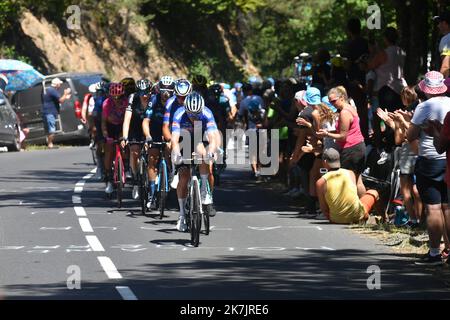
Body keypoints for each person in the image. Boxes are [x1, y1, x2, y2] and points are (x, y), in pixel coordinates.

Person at [406, 71, 450, 265]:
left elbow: (410, 135)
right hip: (447, 158)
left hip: (430, 159)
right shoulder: (449, 103)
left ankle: (434, 253)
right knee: (448, 207)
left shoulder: (424, 107)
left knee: (433, 207)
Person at [171, 92, 219, 232]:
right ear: (186, 110)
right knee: (184, 176)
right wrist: (177, 154)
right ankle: (181, 215)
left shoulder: (207, 113)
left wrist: (211, 151)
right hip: (183, 141)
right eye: (191, 115)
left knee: (204, 155)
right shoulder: (179, 114)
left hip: (199, 138)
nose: (194, 117)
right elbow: (174, 139)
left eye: (197, 115)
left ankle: (204, 190)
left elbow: (212, 138)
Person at [317, 86, 366, 197]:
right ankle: (363, 210)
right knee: (358, 181)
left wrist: (327, 134)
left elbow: (343, 136)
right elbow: (345, 129)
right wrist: (329, 131)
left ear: (342, 98)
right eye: (330, 102)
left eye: (334, 101)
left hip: (351, 149)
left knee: (350, 183)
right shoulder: (350, 108)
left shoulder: (344, 113)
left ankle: (354, 210)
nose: (332, 104)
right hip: (358, 146)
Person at [316, 148, 379, 224]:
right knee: (373, 192)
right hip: (357, 216)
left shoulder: (321, 182)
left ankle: (365, 217)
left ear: (325, 161)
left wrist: (333, 217)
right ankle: (384, 218)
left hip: (336, 219)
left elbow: (324, 208)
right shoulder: (350, 173)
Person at [142, 77, 172, 209]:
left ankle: (171, 171)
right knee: (152, 158)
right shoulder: (153, 99)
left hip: (170, 130)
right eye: (164, 91)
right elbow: (146, 121)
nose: (166, 94)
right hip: (154, 129)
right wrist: (148, 136)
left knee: (170, 151)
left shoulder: (175, 101)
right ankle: (152, 193)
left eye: (169, 90)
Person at [122, 79, 153, 200]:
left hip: (150, 127)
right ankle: (135, 180)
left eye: (146, 93)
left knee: (153, 151)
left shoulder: (153, 99)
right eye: (141, 93)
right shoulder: (132, 98)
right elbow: (127, 119)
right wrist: (125, 136)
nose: (144, 95)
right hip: (135, 126)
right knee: (134, 150)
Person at [102, 83, 128, 195]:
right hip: (110, 126)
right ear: (110, 96)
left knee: (126, 145)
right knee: (109, 149)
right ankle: (108, 178)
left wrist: (125, 137)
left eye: (119, 97)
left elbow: (128, 120)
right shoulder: (107, 103)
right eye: (114, 97)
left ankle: (126, 167)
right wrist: (106, 135)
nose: (117, 99)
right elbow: (103, 123)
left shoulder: (126, 102)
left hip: (123, 125)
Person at [41, 78, 71, 149]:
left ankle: (49, 143)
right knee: (52, 129)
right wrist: (65, 93)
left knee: (49, 129)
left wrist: (65, 97)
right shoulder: (52, 90)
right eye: (59, 84)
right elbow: (60, 100)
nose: (60, 85)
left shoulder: (49, 90)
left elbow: (57, 100)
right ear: (57, 84)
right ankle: (50, 144)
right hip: (49, 112)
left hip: (47, 111)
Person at [435, 12, 450, 77]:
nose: (438, 26)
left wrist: (438, 85)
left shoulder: (446, 39)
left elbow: (445, 67)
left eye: (439, 23)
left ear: (444, 23)